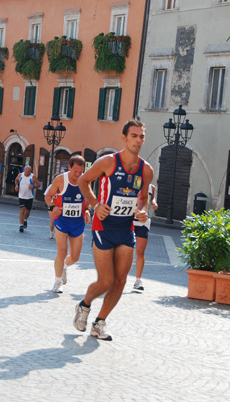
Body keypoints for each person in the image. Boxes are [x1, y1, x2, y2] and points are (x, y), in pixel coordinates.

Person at [74, 120, 154, 341]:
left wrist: (143, 210)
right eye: (134, 136)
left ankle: (99, 323)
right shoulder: (108, 162)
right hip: (103, 226)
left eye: (141, 137)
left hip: (126, 228)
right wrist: (95, 204)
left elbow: (143, 196)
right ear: (124, 138)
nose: (138, 140)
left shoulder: (146, 169)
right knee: (106, 281)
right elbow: (83, 181)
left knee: (120, 281)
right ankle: (84, 305)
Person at [45, 155, 91, 294]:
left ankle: (64, 266)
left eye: (80, 171)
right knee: (62, 251)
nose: (78, 174)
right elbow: (48, 196)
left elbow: (88, 198)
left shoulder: (85, 180)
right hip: (62, 221)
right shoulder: (60, 180)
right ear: (69, 167)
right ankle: (57, 281)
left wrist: (87, 210)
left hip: (78, 222)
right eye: (75, 171)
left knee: (75, 257)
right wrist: (53, 207)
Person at [132, 183, 158, 291]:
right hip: (130, 221)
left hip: (143, 223)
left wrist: (154, 203)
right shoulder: (134, 182)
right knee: (125, 250)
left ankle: (138, 280)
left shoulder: (151, 187)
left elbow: (152, 198)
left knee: (140, 251)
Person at [15, 165, 40, 232]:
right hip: (21, 196)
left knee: (27, 211)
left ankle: (25, 220)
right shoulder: (20, 175)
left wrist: (34, 186)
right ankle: (21, 225)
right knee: (22, 210)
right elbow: (16, 180)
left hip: (29, 197)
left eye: (28, 172)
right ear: (24, 171)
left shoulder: (33, 177)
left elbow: (38, 184)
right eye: (26, 172)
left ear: (30, 172)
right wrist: (16, 185)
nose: (27, 173)